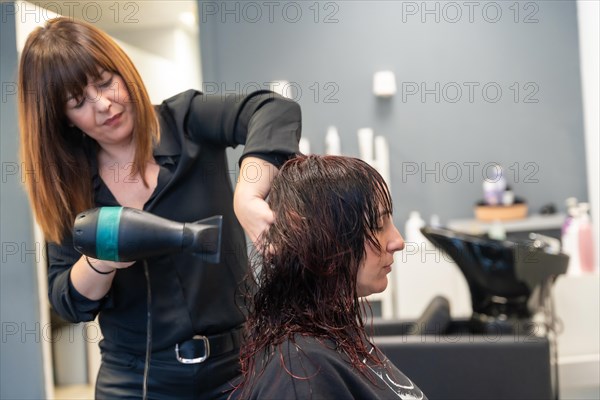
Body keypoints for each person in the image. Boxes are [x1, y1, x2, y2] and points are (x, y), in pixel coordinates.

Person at [17, 17, 301, 399]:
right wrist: (104, 258)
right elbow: (67, 301)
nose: (103, 104)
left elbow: (273, 109)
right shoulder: (70, 185)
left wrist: (248, 194)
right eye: (78, 102)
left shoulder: (187, 121)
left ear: (123, 69)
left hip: (240, 368)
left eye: (105, 81)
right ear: (62, 118)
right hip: (135, 381)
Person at [233, 155, 427, 399]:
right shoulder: (299, 373)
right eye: (378, 224)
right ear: (316, 236)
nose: (397, 241)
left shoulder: (336, 333)